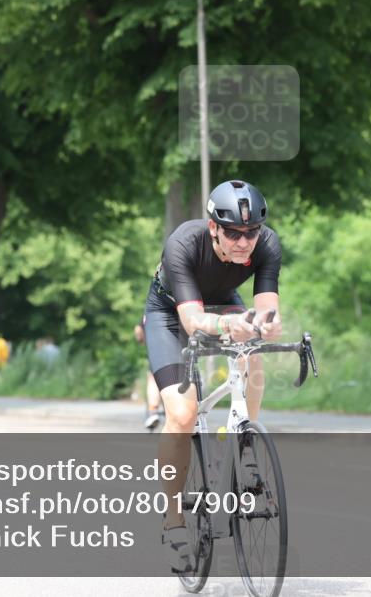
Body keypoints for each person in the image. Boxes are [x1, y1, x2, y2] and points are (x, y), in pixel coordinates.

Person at [142, 179, 282, 573]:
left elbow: (267, 308)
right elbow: (191, 319)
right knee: (182, 415)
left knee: (253, 354)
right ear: (213, 228)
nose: (244, 242)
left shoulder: (267, 245)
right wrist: (232, 324)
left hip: (222, 303)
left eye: (251, 232)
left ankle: (246, 442)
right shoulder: (183, 243)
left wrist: (266, 325)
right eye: (234, 233)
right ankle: (173, 518)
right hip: (170, 314)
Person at [135, 318, 164, 430]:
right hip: (177, 347)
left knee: (153, 378)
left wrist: (141, 340)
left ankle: (153, 412)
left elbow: (138, 329)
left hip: (156, 349)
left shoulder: (152, 308)